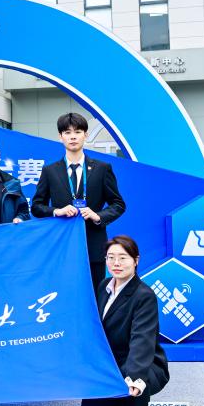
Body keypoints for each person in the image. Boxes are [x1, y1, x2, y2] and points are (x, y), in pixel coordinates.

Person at [80, 235, 169, 406]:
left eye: (122, 257)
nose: (116, 263)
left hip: (143, 362)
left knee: (135, 379)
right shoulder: (104, 286)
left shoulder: (144, 295)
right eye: (110, 257)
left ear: (136, 260)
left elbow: (142, 341)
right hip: (111, 362)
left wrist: (134, 378)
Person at [32, 113, 126, 290]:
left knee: (95, 295)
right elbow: (36, 207)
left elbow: (118, 204)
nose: (73, 137)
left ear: (86, 135)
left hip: (93, 246)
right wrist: (56, 211)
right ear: (60, 137)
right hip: (62, 246)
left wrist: (97, 216)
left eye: (78, 132)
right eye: (67, 132)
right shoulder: (50, 171)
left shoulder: (102, 169)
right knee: (64, 293)